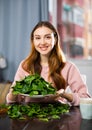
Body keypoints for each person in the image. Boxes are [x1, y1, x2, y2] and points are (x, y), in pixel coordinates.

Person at [6, 21, 90, 106]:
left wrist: (64, 95)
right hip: (30, 115)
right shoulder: (25, 65)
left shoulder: (68, 67)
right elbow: (11, 101)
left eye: (47, 37)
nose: (42, 42)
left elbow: (85, 98)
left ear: (55, 39)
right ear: (33, 41)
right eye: (38, 38)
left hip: (58, 115)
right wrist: (13, 93)